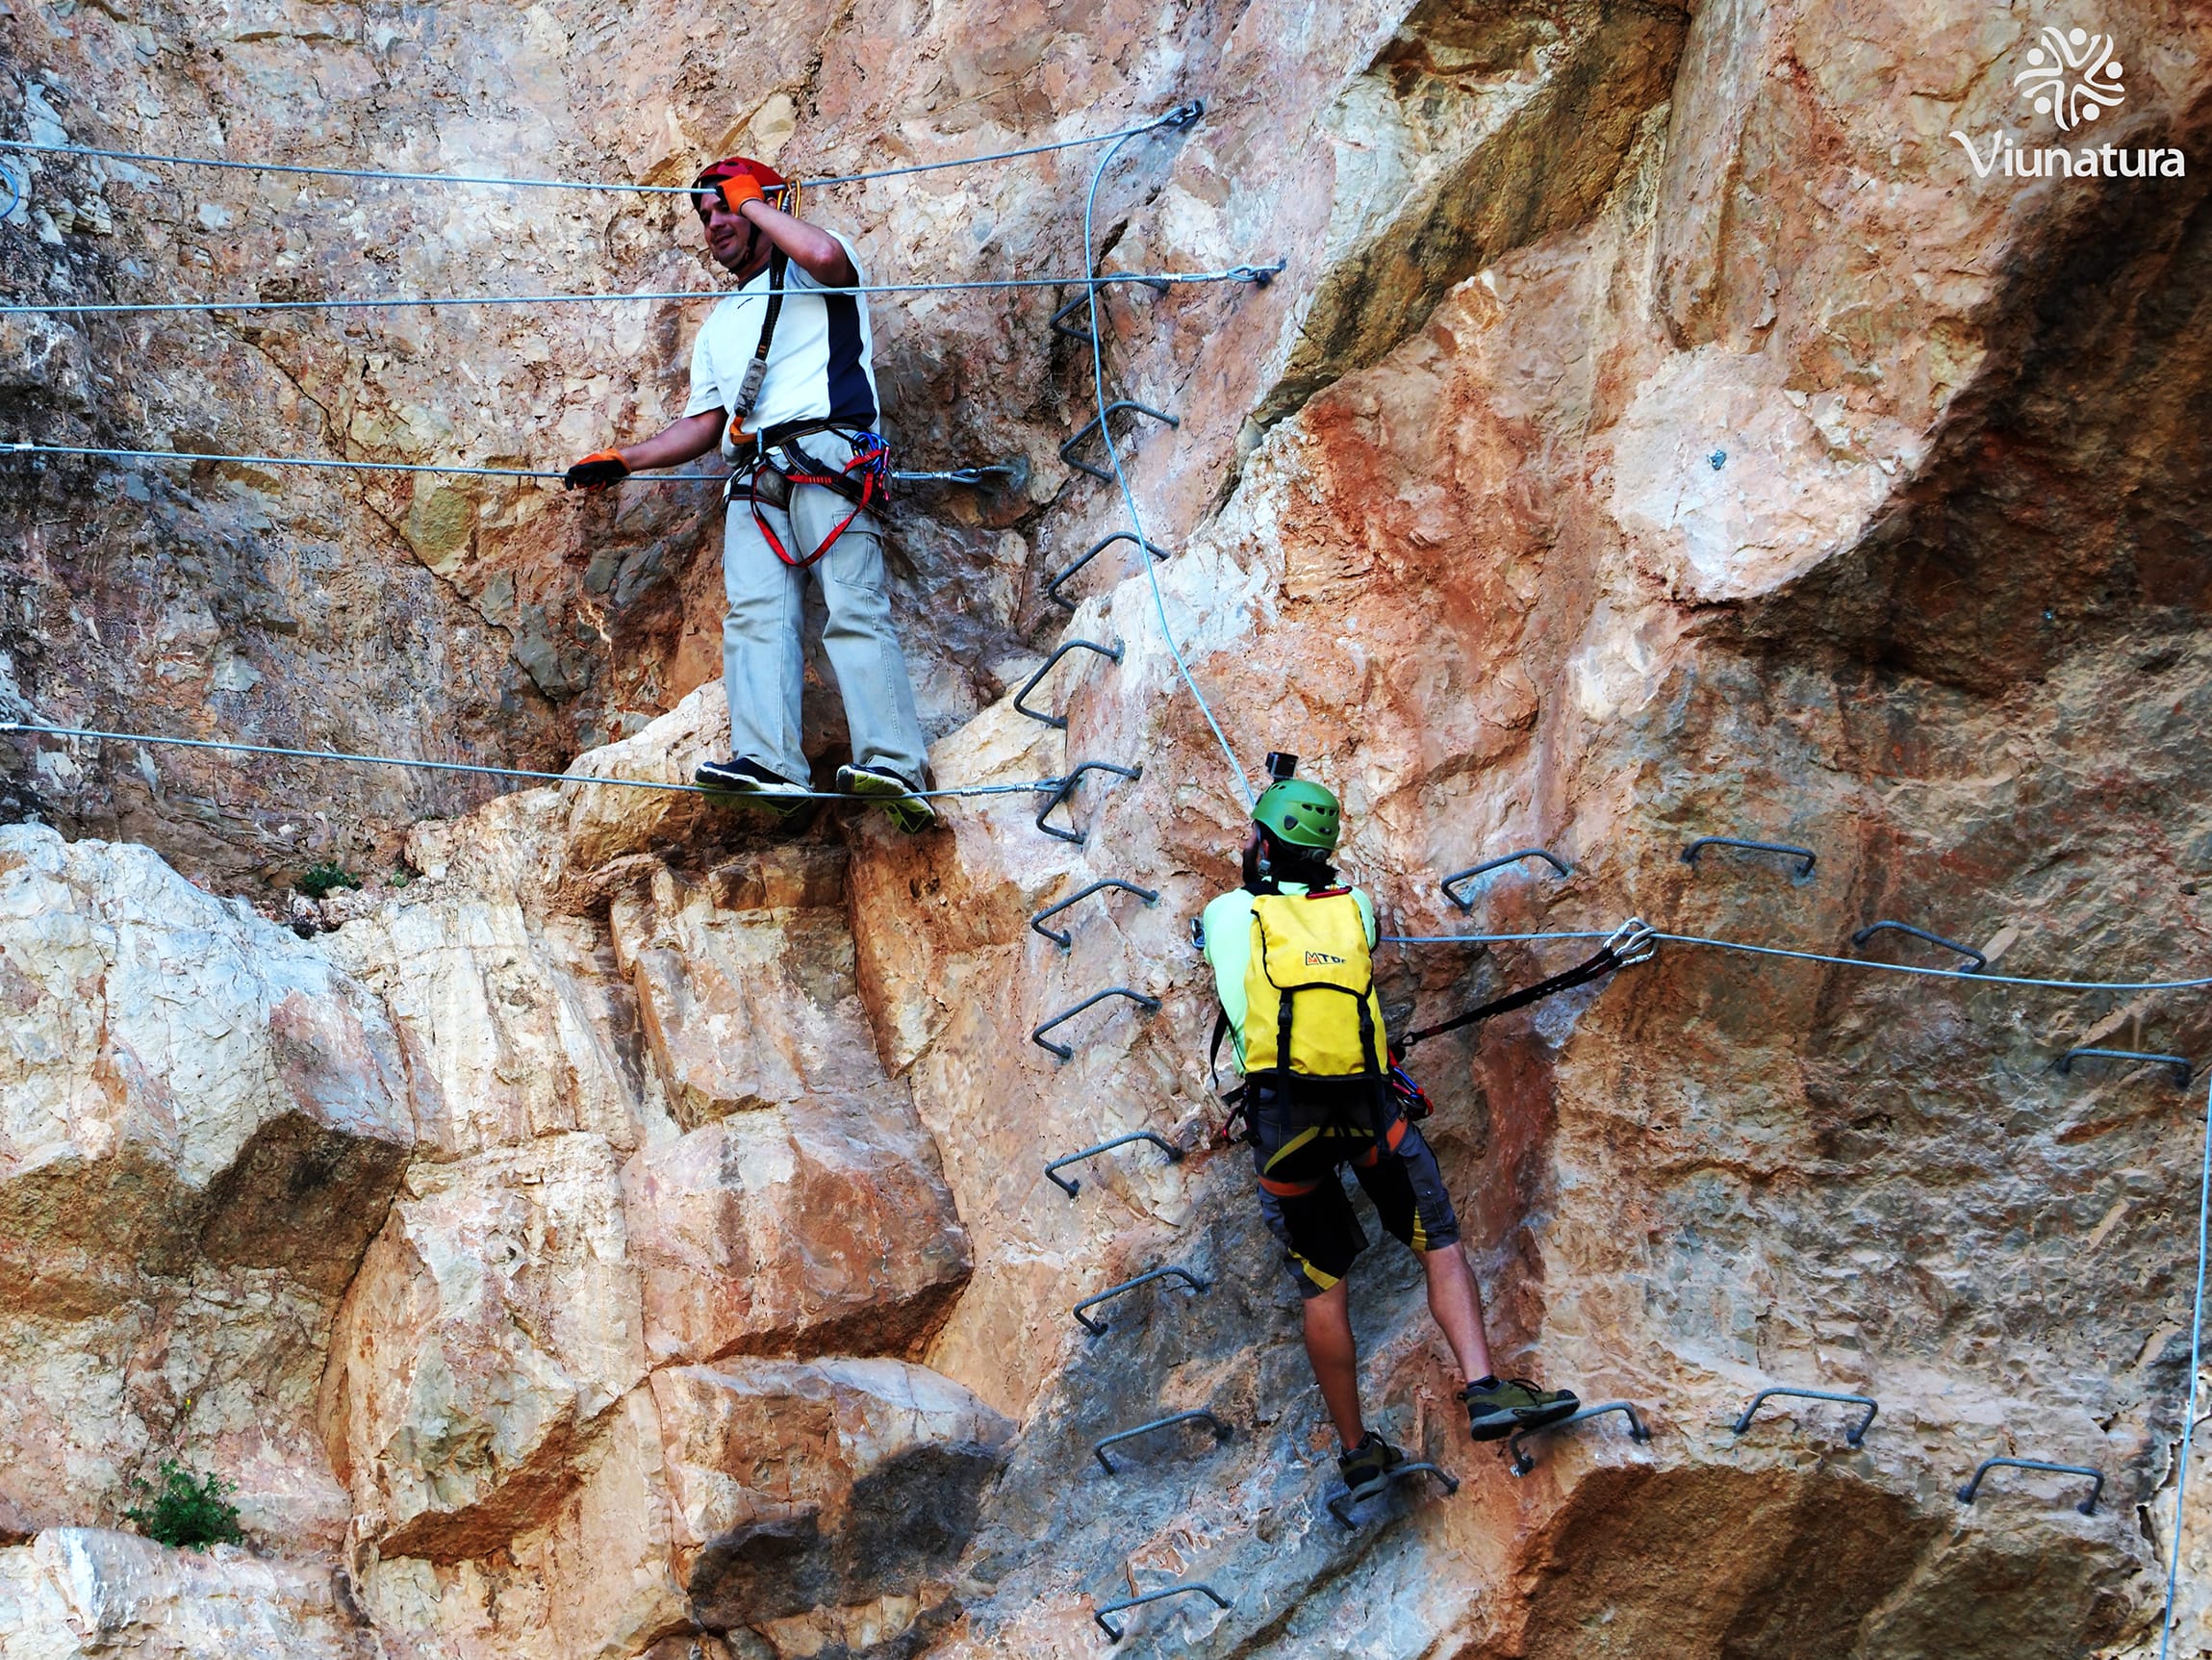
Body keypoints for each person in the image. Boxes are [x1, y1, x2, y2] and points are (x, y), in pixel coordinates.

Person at [1197, 759, 1580, 1501]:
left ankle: (1355, 1450)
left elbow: (1226, 938)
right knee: (1436, 1238)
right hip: (1369, 1109)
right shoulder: (1357, 910)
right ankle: (1485, 1387)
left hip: (1285, 1123)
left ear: (1263, 847)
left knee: (1323, 1280)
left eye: (1253, 833)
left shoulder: (1224, 915)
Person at [564, 155, 935, 833]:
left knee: (853, 604)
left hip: (829, 451)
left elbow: (822, 253)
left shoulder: (817, 263)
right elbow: (706, 425)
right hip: (754, 476)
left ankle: (895, 763)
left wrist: (757, 202)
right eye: (704, 215)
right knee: (756, 621)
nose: (714, 223)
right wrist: (626, 459)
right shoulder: (720, 324)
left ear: (765, 203)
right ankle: (769, 763)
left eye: (723, 207)